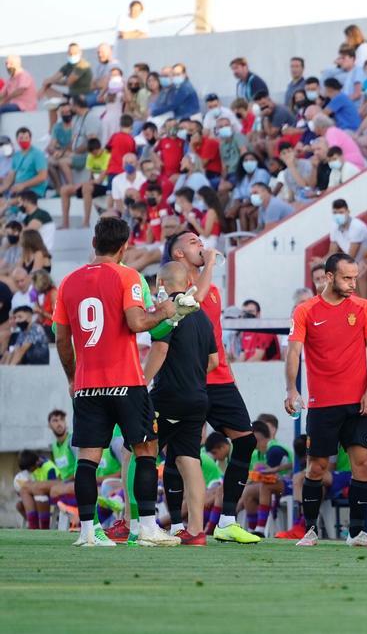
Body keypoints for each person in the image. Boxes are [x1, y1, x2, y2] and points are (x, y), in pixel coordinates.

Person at [52, 218, 186, 547]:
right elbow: (138, 321)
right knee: (146, 450)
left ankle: (87, 532)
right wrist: (165, 310)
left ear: (94, 243)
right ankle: (147, 528)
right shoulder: (127, 275)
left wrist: (72, 377)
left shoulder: (68, 282)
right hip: (126, 380)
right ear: (124, 247)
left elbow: (61, 338)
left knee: (87, 457)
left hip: (87, 384)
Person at [164, 231, 262, 544]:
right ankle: (175, 525)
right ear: (179, 254)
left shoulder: (213, 288)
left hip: (219, 379)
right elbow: (197, 298)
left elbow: (216, 336)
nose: (202, 246)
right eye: (193, 242)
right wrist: (210, 265)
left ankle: (227, 521)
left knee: (245, 442)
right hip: (187, 380)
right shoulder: (179, 290)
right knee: (178, 453)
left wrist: (229, 374)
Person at [286, 253, 367, 548]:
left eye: (355, 277)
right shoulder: (306, 311)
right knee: (316, 467)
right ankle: (311, 529)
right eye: (347, 278)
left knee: (363, 463)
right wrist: (291, 389)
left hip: (359, 402)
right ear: (329, 277)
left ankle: (357, 533)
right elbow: (293, 352)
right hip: (322, 403)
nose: (353, 283)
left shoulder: (364, 308)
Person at [141, 261, 219, 544]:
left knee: (138, 451)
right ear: (187, 283)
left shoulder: (168, 312)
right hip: (198, 397)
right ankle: (196, 531)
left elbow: (159, 350)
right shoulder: (202, 316)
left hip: (167, 396)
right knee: (190, 460)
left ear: (161, 286)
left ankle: (139, 522)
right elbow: (214, 361)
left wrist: (140, 383)